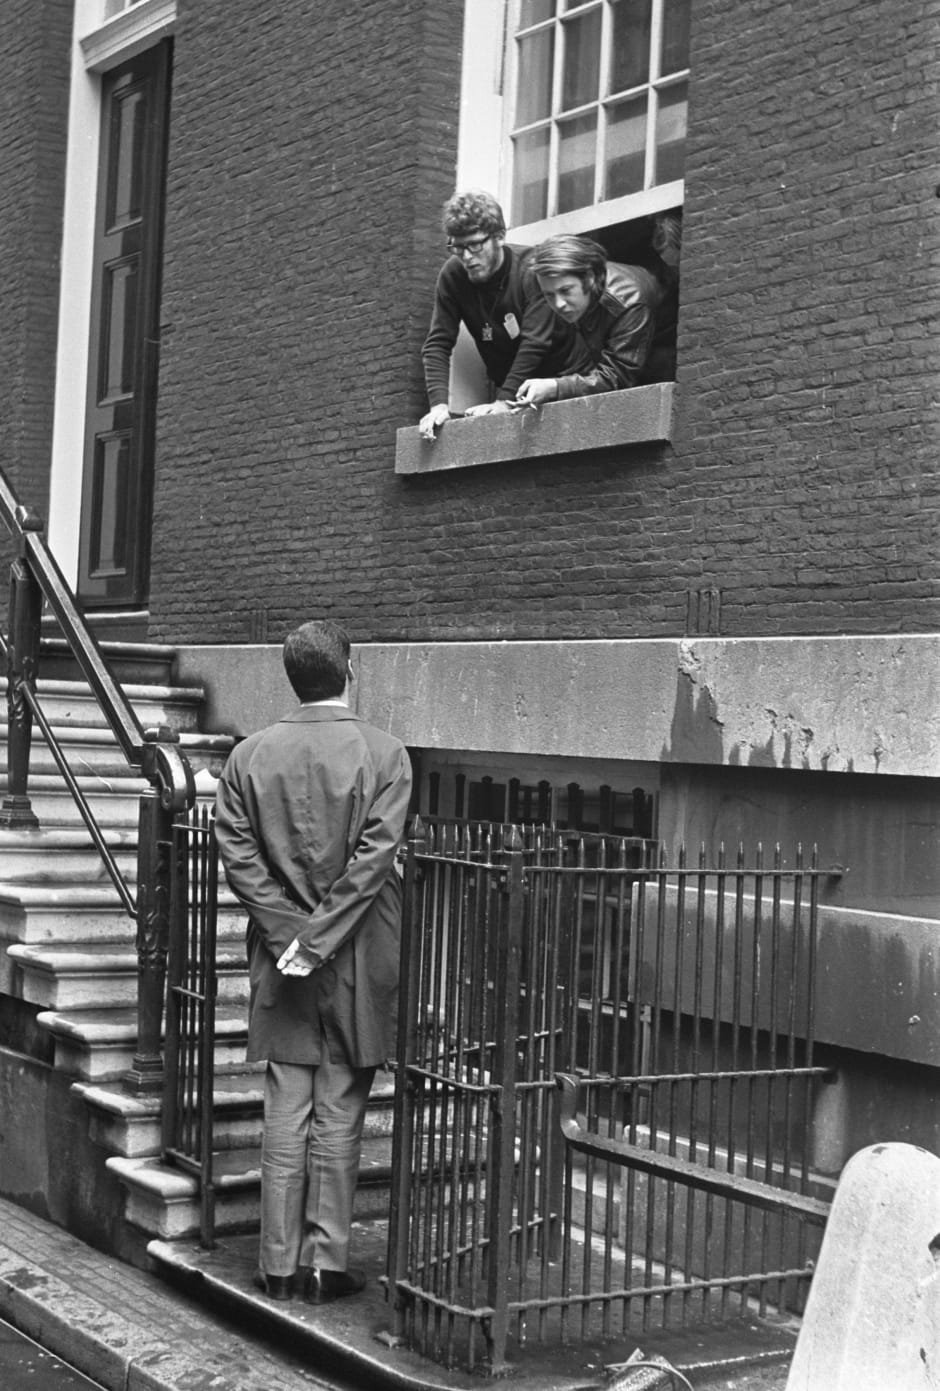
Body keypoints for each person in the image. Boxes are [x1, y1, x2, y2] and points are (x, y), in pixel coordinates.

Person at [214, 619, 412, 1305]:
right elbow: (372, 862)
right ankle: (326, 1264)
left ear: (294, 678)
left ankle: (276, 1263)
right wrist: (321, 938)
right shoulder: (385, 755)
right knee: (340, 1109)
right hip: (355, 952)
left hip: (282, 957)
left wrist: (288, 934)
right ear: (348, 672)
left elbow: (238, 855)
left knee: (287, 1103)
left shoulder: (247, 757)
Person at [419, 189, 573, 439]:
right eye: (458, 247)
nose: (467, 257)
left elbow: (535, 342)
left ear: (499, 236)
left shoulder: (531, 270)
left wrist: (503, 402)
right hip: (512, 390)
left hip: (563, 379)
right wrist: (438, 405)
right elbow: (437, 343)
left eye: (475, 245)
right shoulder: (453, 275)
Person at [514, 233, 667, 405]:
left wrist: (555, 387)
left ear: (590, 279)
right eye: (549, 295)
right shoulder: (579, 299)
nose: (558, 304)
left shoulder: (628, 302)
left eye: (565, 291)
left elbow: (619, 377)